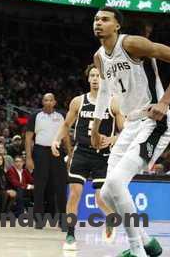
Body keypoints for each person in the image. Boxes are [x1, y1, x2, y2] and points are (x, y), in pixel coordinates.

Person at [90, 7, 170, 257]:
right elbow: (104, 92)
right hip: (131, 124)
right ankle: (148, 242)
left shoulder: (132, 44)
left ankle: (137, 250)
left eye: (105, 19)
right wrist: (96, 126)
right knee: (107, 192)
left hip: (154, 121)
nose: (98, 23)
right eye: (96, 19)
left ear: (117, 25)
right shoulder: (99, 57)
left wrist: (165, 102)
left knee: (116, 183)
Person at [51, 64, 124, 251]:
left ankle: (110, 217)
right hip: (81, 152)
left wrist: (114, 138)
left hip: (102, 155)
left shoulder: (113, 102)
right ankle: (70, 234)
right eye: (92, 75)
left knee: (100, 198)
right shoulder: (78, 101)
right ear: (88, 78)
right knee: (74, 193)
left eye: (98, 75)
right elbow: (66, 124)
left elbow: (125, 130)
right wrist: (56, 140)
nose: (95, 79)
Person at [25, 93, 69, 227]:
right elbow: (28, 138)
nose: (48, 102)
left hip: (57, 151)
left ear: (55, 102)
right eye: (46, 100)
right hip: (40, 152)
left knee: (61, 186)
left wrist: (70, 154)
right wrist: (28, 157)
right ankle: (39, 220)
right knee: (39, 186)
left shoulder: (61, 115)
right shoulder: (35, 116)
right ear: (42, 102)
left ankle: (63, 220)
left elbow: (66, 136)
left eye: (51, 100)